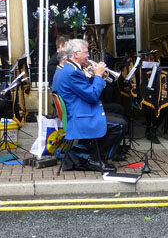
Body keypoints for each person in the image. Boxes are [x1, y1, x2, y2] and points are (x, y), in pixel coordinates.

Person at [54, 39, 126, 171]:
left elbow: (85, 89)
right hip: (79, 117)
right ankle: (96, 159)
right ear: (76, 54)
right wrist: (98, 76)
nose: (88, 56)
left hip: (81, 110)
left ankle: (95, 153)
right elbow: (92, 96)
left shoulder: (72, 68)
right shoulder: (72, 72)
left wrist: (98, 77)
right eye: (86, 53)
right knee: (120, 124)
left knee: (117, 114)